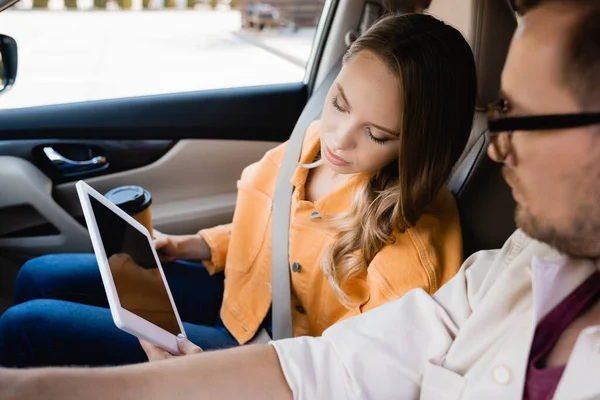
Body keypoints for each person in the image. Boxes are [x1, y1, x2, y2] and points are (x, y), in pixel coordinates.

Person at [1, 0, 599, 398]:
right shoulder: (317, 148)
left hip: (275, 340)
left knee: (29, 325)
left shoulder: (412, 252)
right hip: (244, 298)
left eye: (377, 134)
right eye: (338, 103)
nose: (337, 136)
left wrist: (192, 369)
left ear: (415, 144)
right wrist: (194, 246)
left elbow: (343, 363)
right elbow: (266, 229)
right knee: (40, 272)